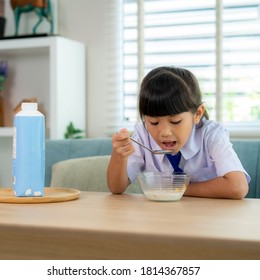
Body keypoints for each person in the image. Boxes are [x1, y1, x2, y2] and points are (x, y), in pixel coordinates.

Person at [107, 66, 250, 199]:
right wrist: (119, 156)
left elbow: (238, 187)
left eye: (175, 122)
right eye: (154, 122)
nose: (164, 132)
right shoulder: (143, 135)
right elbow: (116, 188)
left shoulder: (212, 135)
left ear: (197, 114)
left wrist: (175, 189)